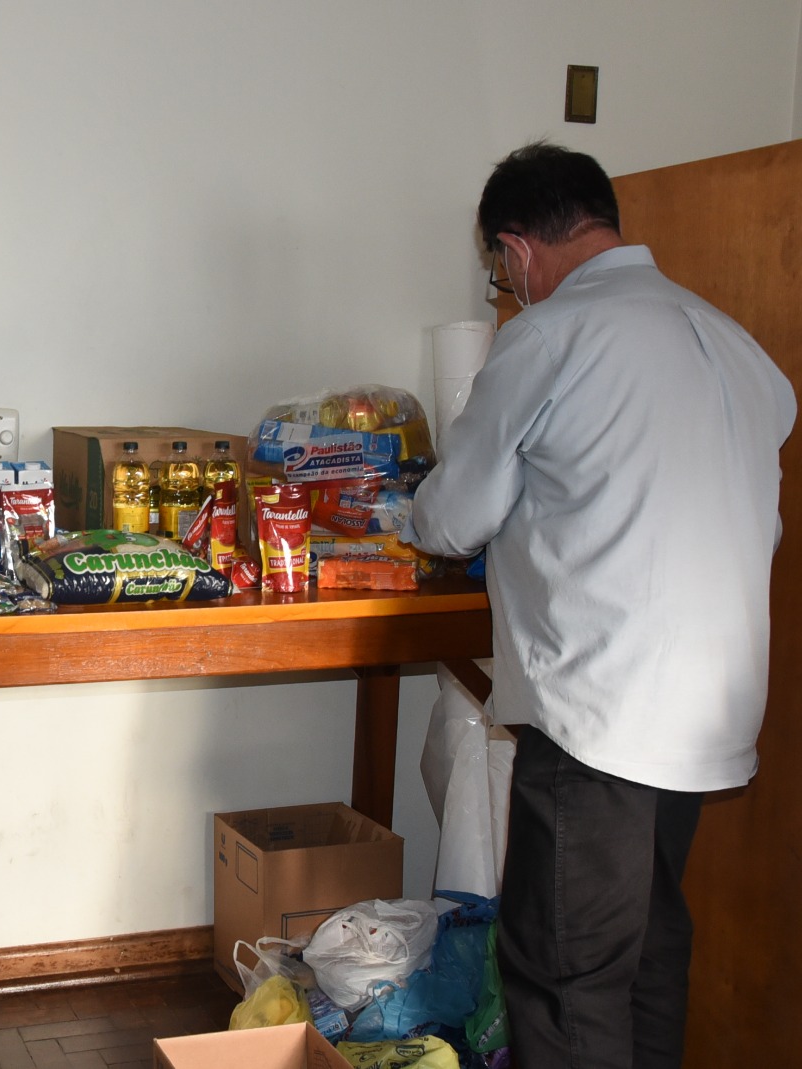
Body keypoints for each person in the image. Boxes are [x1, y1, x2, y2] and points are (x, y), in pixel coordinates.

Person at [405, 142, 794, 1069]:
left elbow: (453, 519)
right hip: (707, 713)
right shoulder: (733, 341)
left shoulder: (548, 336)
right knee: (649, 950)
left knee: (566, 973)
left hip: (602, 717)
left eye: (500, 273)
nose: (505, 288)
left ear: (518, 249)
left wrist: (412, 505)